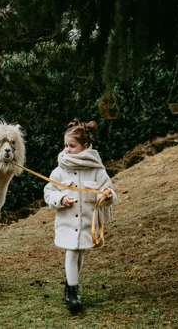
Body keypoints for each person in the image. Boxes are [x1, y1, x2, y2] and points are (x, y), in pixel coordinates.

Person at [43, 119, 117, 314]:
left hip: (87, 223)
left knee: (81, 253)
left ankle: (69, 285)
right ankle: (74, 294)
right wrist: (60, 199)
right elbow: (49, 192)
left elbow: (109, 191)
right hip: (67, 223)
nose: (67, 150)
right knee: (71, 252)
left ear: (84, 146)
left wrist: (107, 195)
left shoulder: (96, 169)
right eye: (65, 145)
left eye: (72, 146)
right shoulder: (60, 170)